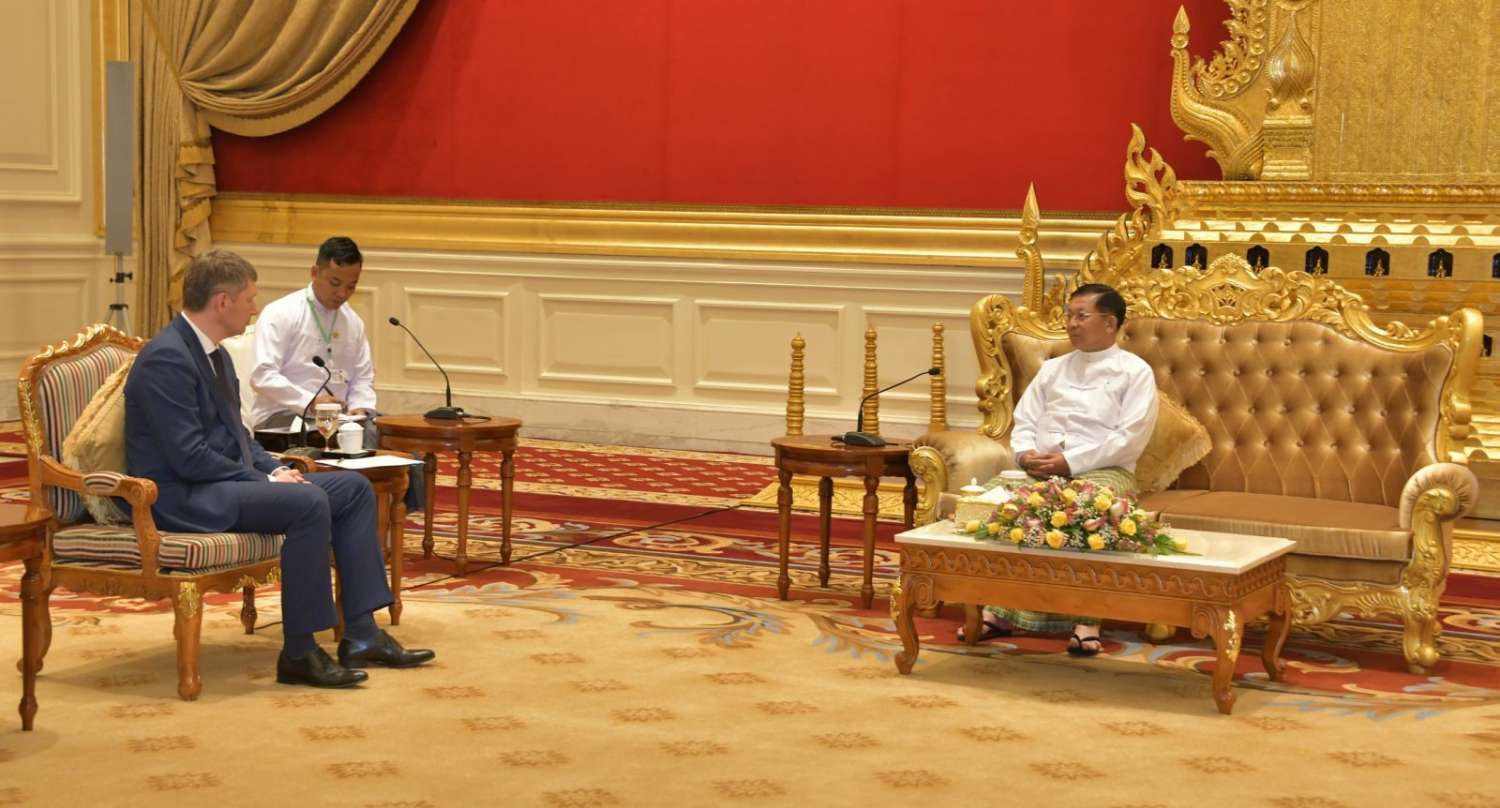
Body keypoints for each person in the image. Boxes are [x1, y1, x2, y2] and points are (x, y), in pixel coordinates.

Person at [123, 249, 434, 688]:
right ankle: (300, 652)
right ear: (222, 302)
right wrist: (264, 478)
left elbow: (239, 436)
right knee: (307, 501)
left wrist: (272, 466)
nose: (255, 308)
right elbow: (187, 456)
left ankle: (362, 633)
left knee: (352, 489)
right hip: (180, 496)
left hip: (217, 483)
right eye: (249, 298)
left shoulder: (215, 355)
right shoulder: (167, 358)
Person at [963, 283, 1158, 657]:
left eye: (1081, 316)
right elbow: (1024, 420)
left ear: (1110, 323)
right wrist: (1025, 455)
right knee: (995, 501)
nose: (1071, 324)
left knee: (1086, 509)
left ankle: (1087, 622)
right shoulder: (1053, 369)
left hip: (1103, 469)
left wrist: (1071, 463)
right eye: (1069, 316)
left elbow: (1130, 438)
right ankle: (997, 610)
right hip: (1040, 467)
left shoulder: (1135, 372)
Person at [249, 236, 423, 512]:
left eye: (351, 286)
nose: (342, 293)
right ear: (314, 272)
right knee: (364, 439)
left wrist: (360, 407)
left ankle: (396, 519)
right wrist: (311, 402)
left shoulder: (352, 321)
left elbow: (362, 377)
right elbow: (262, 375)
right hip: (285, 419)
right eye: (335, 283)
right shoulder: (281, 313)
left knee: (402, 442)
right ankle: (366, 515)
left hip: (340, 420)